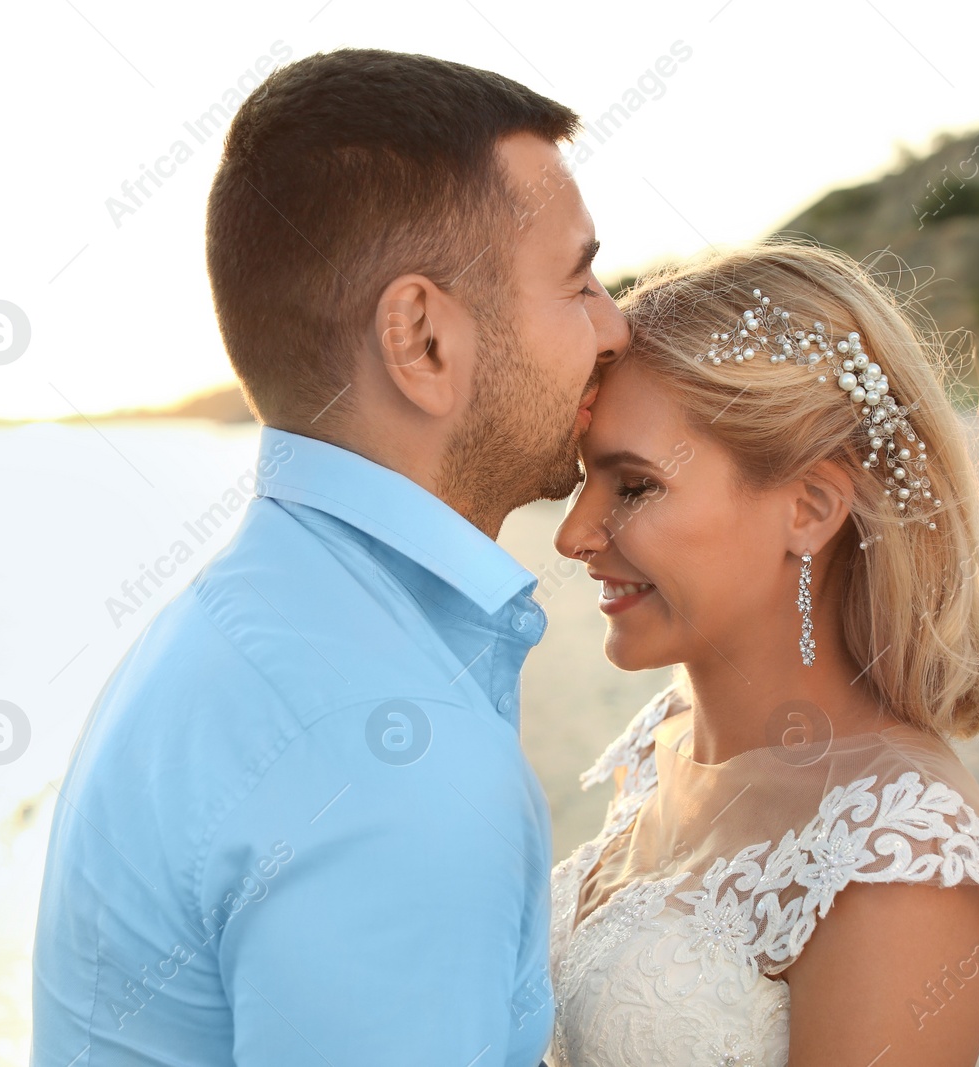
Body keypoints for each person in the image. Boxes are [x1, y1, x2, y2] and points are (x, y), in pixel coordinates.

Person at [31, 49, 627, 1065]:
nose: (616, 326)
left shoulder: (227, 626)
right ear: (423, 340)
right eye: (579, 281)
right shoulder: (395, 757)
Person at [548, 242, 979, 1066]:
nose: (575, 534)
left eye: (635, 485)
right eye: (586, 480)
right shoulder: (662, 745)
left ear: (810, 508)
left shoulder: (902, 853)